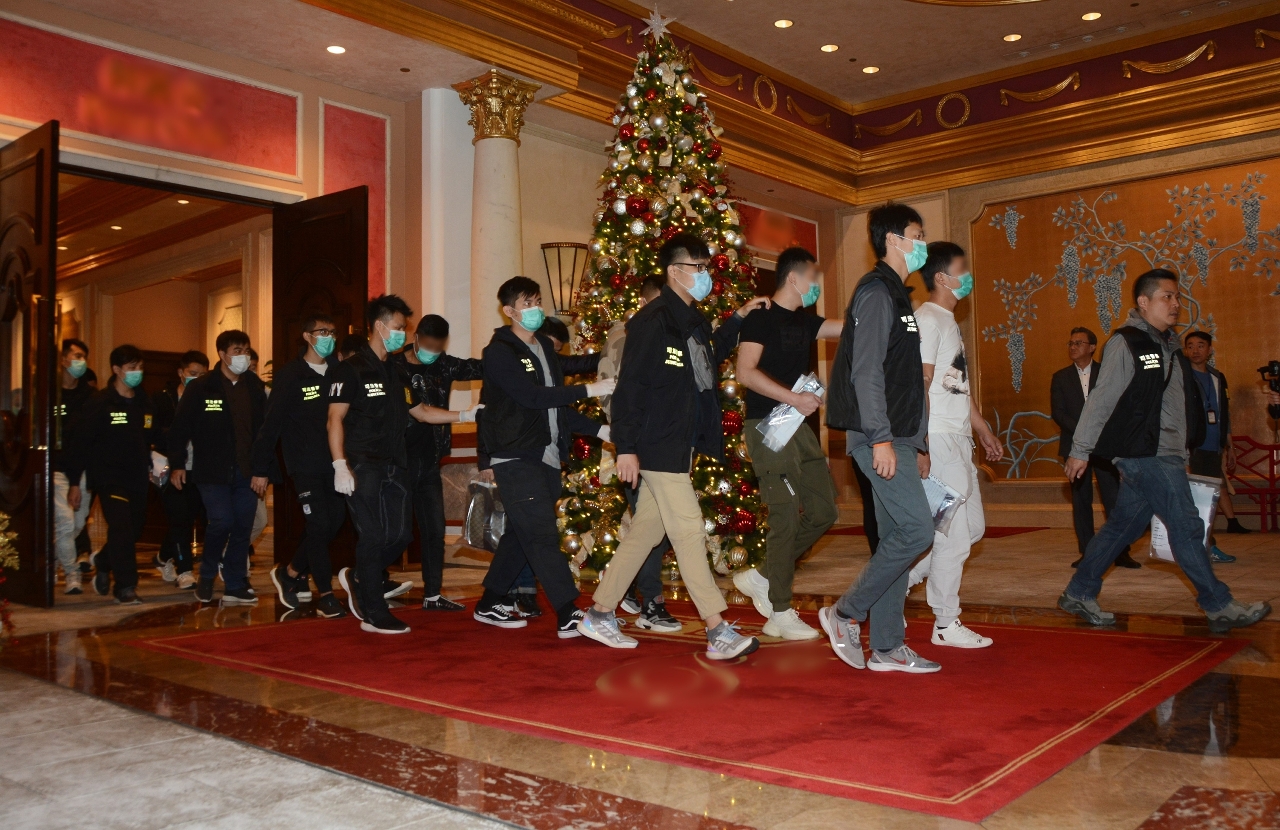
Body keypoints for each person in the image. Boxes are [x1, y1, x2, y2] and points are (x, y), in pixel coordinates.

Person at [577, 234, 767, 659]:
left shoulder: (691, 319)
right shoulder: (652, 321)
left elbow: (708, 358)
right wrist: (626, 447)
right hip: (655, 442)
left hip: (680, 442)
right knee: (688, 527)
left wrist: (738, 317)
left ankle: (600, 613)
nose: (705, 274)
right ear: (675, 271)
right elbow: (630, 388)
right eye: (698, 267)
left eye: (706, 267)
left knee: (647, 529)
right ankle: (717, 630)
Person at [1058, 269, 1270, 634]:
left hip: (1164, 451)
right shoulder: (1126, 342)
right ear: (1144, 302)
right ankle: (1218, 604)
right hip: (1145, 452)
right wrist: (1080, 449)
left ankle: (1079, 592)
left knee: (1122, 528)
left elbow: (1173, 405)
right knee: (1186, 525)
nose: (1175, 304)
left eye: (1177, 297)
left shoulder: (1170, 344)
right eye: (1167, 297)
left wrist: (1182, 452)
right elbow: (1102, 398)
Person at [821, 202, 939, 674]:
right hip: (879, 436)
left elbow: (906, 380)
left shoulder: (897, 295)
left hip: (900, 435)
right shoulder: (875, 292)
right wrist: (881, 439)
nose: (922, 243)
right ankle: (844, 612)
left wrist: (919, 442)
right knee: (918, 530)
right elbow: (866, 372)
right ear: (893, 239)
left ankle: (887, 647)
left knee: (895, 537)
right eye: (917, 234)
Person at [473, 276, 613, 637]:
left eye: (537, 301)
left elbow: (558, 404)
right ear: (509, 311)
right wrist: (591, 389)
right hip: (515, 457)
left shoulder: (544, 350)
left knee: (521, 535)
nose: (536, 308)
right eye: (527, 303)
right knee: (541, 534)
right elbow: (532, 397)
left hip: (547, 457)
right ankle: (567, 612)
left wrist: (600, 430)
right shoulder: (499, 353)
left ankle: (488, 603)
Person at [329, 295, 472, 634]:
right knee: (373, 535)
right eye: (398, 327)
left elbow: (421, 412)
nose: (402, 334)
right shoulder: (351, 369)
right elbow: (334, 418)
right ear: (379, 326)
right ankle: (374, 613)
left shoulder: (397, 370)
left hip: (396, 465)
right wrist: (339, 464)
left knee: (401, 535)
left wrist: (465, 415)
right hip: (362, 465)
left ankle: (359, 576)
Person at [732, 246, 842, 640]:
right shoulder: (760, 319)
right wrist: (794, 398)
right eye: (812, 277)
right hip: (767, 426)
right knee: (784, 515)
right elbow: (745, 372)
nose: (816, 284)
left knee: (824, 511)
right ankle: (779, 611)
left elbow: (847, 326)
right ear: (794, 278)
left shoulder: (805, 321)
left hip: (797, 428)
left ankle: (763, 574)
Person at [905, 242, 1003, 648]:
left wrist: (982, 429)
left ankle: (898, 579)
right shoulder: (928, 319)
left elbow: (955, 385)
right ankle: (946, 622)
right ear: (942, 277)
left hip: (958, 438)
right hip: (940, 439)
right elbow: (920, 383)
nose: (968, 276)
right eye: (962, 268)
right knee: (951, 536)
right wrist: (921, 444)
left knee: (972, 528)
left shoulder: (948, 320)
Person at [168, 330, 274, 606]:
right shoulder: (202, 387)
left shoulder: (254, 386)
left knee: (242, 526)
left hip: (247, 470)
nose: (243, 356)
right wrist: (177, 464)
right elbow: (180, 428)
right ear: (222, 354)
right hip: (212, 471)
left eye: (246, 351)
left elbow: (265, 431)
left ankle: (235, 583)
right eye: (237, 351)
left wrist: (262, 470)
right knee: (222, 521)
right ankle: (206, 575)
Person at [253, 313, 348, 618]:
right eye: (322, 332)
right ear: (307, 336)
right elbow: (271, 424)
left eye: (332, 332)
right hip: (304, 465)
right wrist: (260, 468)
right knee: (318, 524)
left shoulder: (339, 371)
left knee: (333, 523)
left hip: (336, 464)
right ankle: (326, 594)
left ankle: (291, 572)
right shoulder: (291, 375)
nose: (329, 337)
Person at [600, 275, 681, 632]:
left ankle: (632, 592)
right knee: (650, 528)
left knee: (654, 527)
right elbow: (616, 398)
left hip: (663, 446)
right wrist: (628, 446)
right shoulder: (625, 337)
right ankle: (651, 602)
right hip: (638, 448)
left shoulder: (666, 333)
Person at [392, 313, 483, 612]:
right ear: (416, 338)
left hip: (430, 460)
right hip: (398, 462)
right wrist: (465, 414)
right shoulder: (394, 366)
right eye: (428, 345)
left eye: (438, 346)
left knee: (434, 530)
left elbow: (482, 368)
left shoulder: (445, 364)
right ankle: (367, 578)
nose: (432, 351)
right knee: (398, 532)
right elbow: (421, 413)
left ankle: (432, 594)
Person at [65, 345, 154, 605]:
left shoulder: (144, 402)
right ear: (116, 369)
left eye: (140, 367)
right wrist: (74, 482)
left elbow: (152, 433)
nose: (137, 372)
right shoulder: (100, 402)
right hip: (109, 478)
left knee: (133, 530)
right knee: (121, 528)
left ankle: (103, 561)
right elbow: (81, 443)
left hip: (138, 477)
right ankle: (125, 587)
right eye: (131, 368)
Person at [1051, 328, 1137, 569]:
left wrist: (1097, 431)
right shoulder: (1061, 377)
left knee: (1113, 499)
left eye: (1079, 343)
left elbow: (1119, 407)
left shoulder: (1107, 372)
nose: (1073, 347)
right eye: (1071, 343)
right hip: (1074, 447)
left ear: (1092, 347)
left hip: (1105, 446)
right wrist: (1084, 430)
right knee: (1081, 502)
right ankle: (1087, 552)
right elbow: (1058, 413)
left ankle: (1121, 552)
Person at [1183, 331, 1246, 562]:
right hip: (1192, 448)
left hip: (1214, 448)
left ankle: (1206, 547)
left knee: (1209, 501)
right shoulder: (1182, 377)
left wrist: (1229, 446)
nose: (1195, 350)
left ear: (1210, 350)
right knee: (1196, 501)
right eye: (1190, 346)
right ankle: (1203, 548)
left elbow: (1224, 414)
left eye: (1201, 345)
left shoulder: (1218, 377)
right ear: (1185, 350)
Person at [152, 350, 209, 590]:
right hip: (168, 467)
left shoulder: (208, 399)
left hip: (198, 468)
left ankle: (162, 557)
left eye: (202, 375)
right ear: (181, 373)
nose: (197, 379)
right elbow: (152, 432)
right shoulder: (162, 399)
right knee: (178, 517)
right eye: (192, 373)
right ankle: (185, 570)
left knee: (188, 517)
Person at [53, 339, 95, 594]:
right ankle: (71, 573)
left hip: (84, 469)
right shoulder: (49, 393)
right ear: (63, 359)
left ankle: (51, 560)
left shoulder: (89, 396)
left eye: (83, 357)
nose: (81, 361)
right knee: (66, 524)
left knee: (78, 525)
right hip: (57, 468)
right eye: (76, 356)